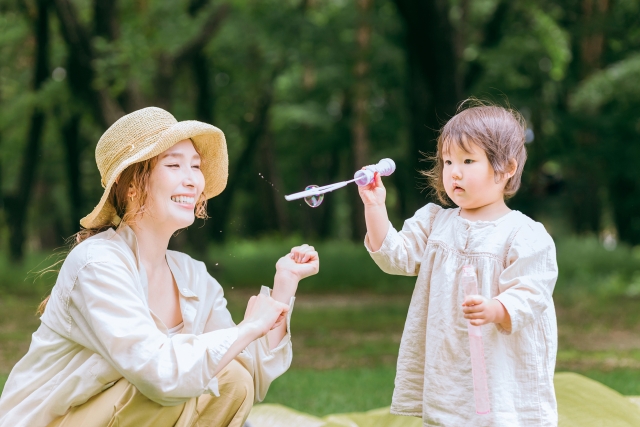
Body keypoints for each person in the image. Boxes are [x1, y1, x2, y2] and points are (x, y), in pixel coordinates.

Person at [0, 107, 319, 427]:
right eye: (174, 164)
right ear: (132, 185)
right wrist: (247, 328)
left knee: (231, 379)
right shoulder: (97, 264)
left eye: (195, 166)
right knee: (177, 388)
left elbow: (249, 373)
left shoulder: (192, 275)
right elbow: (158, 375)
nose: (192, 179)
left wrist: (284, 284)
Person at [358, 101, 558, 426]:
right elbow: (394, 254)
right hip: (447, 365)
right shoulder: (435, 222)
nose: (454, 171)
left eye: (468, 160)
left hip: (500, 367)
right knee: (446, 414)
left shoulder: (524, 234)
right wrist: (375, 207)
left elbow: (532, 291)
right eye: (448, 161)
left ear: (506, 168)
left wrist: (496, 308)